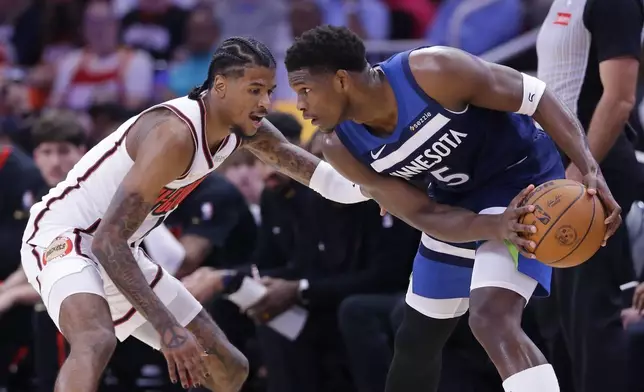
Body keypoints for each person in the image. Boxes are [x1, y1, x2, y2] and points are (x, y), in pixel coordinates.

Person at [283, 25, 622, 392]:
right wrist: (490, 226)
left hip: (523, 184)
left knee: (492, 318)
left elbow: (535, 96)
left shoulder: (432, 72)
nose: (300, 106)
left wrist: (588, 167)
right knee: (416, 338)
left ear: (341, 80)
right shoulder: (340, 147)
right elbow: (424, 215)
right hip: (456, 202)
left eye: (305, 91)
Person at [20, 36, 368, 392]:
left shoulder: (244, 130)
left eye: (269, 91)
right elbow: (109, 241)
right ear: (220, 86)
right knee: (95, 340)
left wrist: (375, 189)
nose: (266, 102)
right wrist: (168, 330)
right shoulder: (174, 135)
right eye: (255, 90)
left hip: (121, 249)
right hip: (65, 237)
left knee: (228, 369)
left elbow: (317, 176)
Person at [535, 0, 644, 391]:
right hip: (555, 169)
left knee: (592, 326)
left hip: (591, 171)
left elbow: (619, 98)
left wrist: (583, 168)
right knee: (555, 328)